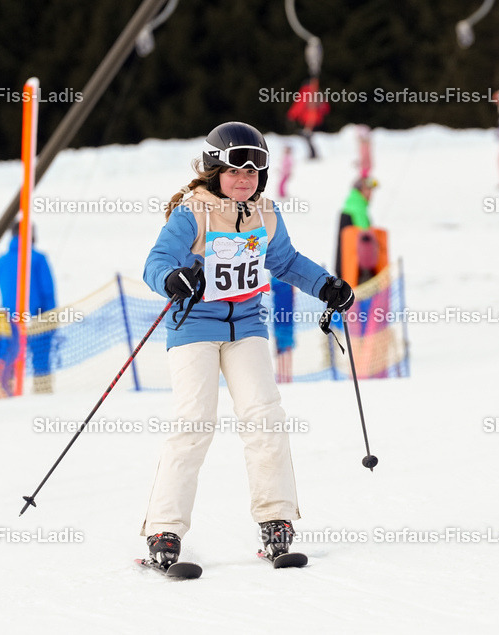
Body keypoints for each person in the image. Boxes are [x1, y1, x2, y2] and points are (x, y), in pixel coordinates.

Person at [141, 121, 355, 568]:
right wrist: (172, 277)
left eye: (254, 173)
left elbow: (286, 261)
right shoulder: (191, 213)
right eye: (236, 171)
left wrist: (326, 286)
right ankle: (164, 530)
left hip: (247, 329)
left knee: (265, 418)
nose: (245, 180)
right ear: (215, 170)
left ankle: (276, 521)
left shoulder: (265, 214)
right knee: (195, 421)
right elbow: (156, 262)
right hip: (195, 328)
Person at [0, 221, 57, 393]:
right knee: (41, 361)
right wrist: (52, 317)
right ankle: (42, 393)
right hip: (38, 317)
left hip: (10, 320)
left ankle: (9, 393)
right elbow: (47, 290)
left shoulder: (2, 261)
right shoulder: (38, 258)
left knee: (12, 362)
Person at [335, 176, 378, 278]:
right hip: (354, 271)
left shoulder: (351, 204)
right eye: (369, 190)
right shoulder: (357, 207)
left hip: (345, 267)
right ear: (361, 190)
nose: (371, 194)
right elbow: (366, 237)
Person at [286, 77, 330, 160]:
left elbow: (299, 106)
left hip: (307, 121)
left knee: (307, 137)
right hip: (317, 120)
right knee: (310, 137)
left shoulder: (305, 93)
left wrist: (291, 116)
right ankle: (314, 153)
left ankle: (312, 154)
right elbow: (326, 108)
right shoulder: (317, 94)